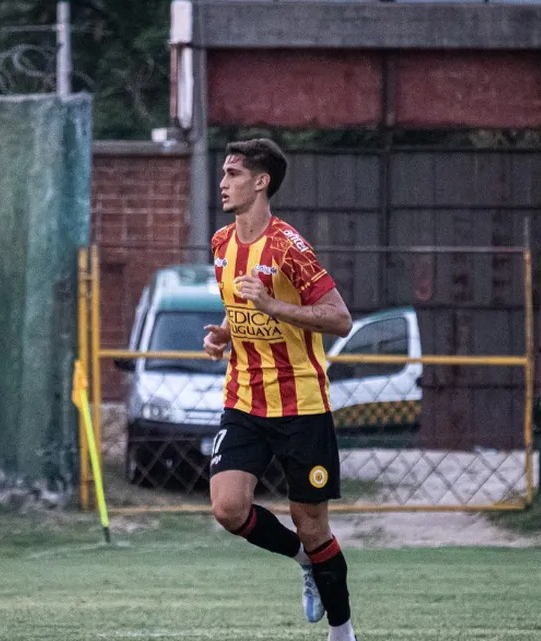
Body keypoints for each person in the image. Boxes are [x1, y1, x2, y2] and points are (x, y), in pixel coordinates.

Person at [202, 138, 358, 641]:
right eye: (224, 174)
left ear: (261, 181)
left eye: (232, 174)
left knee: (313, 525)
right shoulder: (221, 243)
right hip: (244, 399)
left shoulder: (289, 247)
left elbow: (340, 319)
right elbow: (240, 306)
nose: (223, 183)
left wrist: (273, 308)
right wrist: (225, 334)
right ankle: (303, 563)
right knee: (228, 508)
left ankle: (343, 633)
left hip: (302, 405)